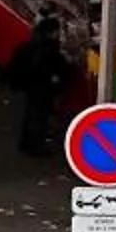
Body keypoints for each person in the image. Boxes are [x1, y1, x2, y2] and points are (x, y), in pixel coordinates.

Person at [10, 15, 69, 155]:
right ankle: (36, 146)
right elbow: (53, 67)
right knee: (39, 116)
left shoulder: (34, 44)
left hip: (32, 85)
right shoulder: (48, 48)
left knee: (31, 114)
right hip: (42, 86)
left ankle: (27, 143)